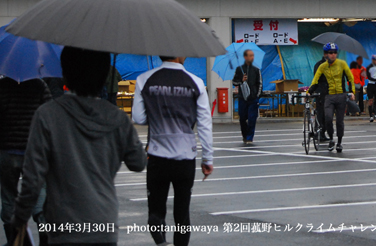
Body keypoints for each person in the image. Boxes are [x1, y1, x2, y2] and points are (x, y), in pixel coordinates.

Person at [11, 47, 146, 245]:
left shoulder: (48, 114)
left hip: (62, 225)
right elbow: (137, 162)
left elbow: (33, 178)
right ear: (103, 76)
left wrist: (19, 217)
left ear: (64, 75)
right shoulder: (116, 117)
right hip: (104, 222)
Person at [132, 56, 214, 246]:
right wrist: (207, 159)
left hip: (157, 156)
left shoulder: (145, 79)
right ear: (180, 55)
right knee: (182, 216)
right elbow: (204, 124)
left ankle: (161, 242)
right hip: (185, 158)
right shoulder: (196, 82)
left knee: (155, 213)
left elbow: (139, 118)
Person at [0, 77, 51, 246]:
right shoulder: (39, 85)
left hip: (7, 150)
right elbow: (49, 114)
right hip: (34, 151)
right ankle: (44, 229)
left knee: (9, 197)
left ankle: (15, 239)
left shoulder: (3, 86)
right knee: (39, 193)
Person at [309, 43, 356, 152]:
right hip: (328, 97)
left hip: (341, 95)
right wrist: (309, 92)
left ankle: (339, 142)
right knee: (328, 119)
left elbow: (350, 78)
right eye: (331, 53)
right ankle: (331, 139)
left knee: (339, 121)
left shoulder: (342, 64)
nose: (333, 55)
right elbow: (315, 81)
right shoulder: (322, 66)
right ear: (326, 54)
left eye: (335, 53)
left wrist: (351, 92)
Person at [232, 49, 263, 145]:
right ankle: (244, 135)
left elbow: (260, 84)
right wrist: (241, 80)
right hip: (242, 98)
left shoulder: (256, 70)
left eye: (253, 55)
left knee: (252, 118)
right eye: (250, 55)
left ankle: (250, 137)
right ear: (245, 57)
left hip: (253, 98)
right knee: (242, 118)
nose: (252, 57)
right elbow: (234, 82)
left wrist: (257, 95)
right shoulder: (239, 69)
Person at [312, 53, 330, 142]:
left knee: (328, 114)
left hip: (330, 92)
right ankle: (318, 132)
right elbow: (317, 78)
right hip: (321, 92)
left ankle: (323, 132)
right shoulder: (319, 65)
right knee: (321, 113)